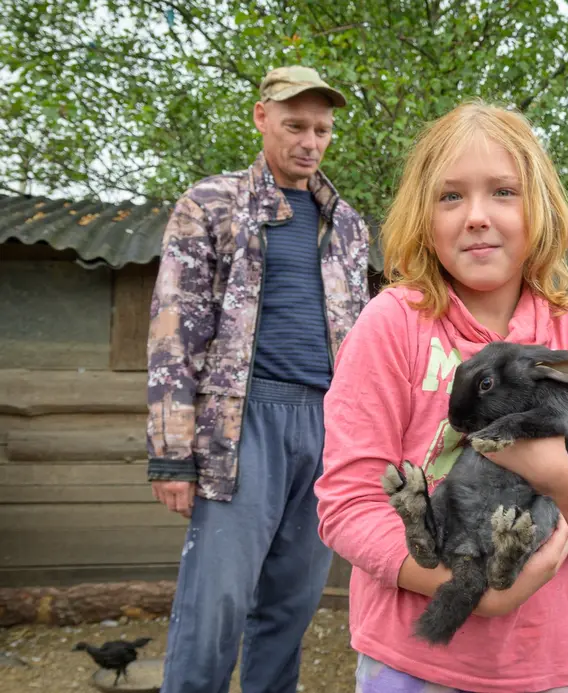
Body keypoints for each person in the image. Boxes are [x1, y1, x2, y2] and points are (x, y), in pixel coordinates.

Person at [314, 100, 568, 693]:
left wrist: (557, 475)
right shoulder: (391, 325)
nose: (477, 217)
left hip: (548, 667)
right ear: (423, 213)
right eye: (450, 196)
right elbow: (347, 505)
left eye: (504, 192)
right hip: (414, 665)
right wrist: (473, 595)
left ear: (538, 205)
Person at [145, 65, 371, 693]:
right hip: (239, 427)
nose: (310, 140)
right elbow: (173, 332)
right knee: (215, 603)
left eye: (322, 129)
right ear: (261, 117)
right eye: (296, 125)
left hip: (325, 429)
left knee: (293, 602)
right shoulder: (210, 204)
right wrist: (171, 457)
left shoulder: (347, 224)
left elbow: (360, 344)